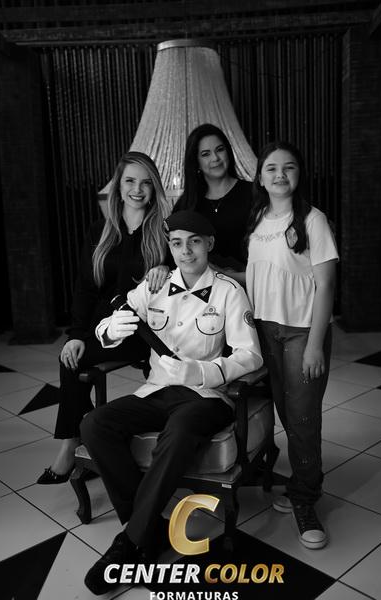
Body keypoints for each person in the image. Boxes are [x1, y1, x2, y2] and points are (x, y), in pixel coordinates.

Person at [81, 210, 262, 595]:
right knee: (94, 423)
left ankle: (130, 542)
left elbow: (250, 356)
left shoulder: (229, 291)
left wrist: (202, 372)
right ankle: (147, 529)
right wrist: (109, 330)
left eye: (194, 242)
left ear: (209, 244)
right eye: (177, 243)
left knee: (180, 428)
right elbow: (113, 320)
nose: (185, 251)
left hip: (207, 396)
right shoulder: (154, 285)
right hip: (156, 391)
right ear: (169, 246)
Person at [37, 151, 170, 484]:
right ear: (118, 186)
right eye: (130, 181)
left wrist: (165, 269)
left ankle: (94, 439)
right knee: (71, 358)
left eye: (145, 183)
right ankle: (73, 442)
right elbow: (85, 288)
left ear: (154, 188)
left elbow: (183, 277)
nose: (137, 190)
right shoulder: (100, 230)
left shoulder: (164, 231)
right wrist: (76, 335)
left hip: (142, 331)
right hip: (101, 326)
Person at [246, 141, 338, 550]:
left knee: (302, 419)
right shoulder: (258, 219)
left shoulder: (313, 220)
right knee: (286, 412)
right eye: (271, 168)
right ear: (260, 176)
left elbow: (326, 284)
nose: (280, 174)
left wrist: (316, 344)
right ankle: (304, 480)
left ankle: (305, 498)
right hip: (266, 330)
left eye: (289, 167)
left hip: (302, 332)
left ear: (299, 174)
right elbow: (263, 272)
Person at [173, 123, 253, 284]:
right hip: (203, 291)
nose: (215, 158)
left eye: (220, 150)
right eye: (205, 154)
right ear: (196, 162)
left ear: (228, 152)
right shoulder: (186, 204)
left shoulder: (253, 193)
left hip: (252, 286)